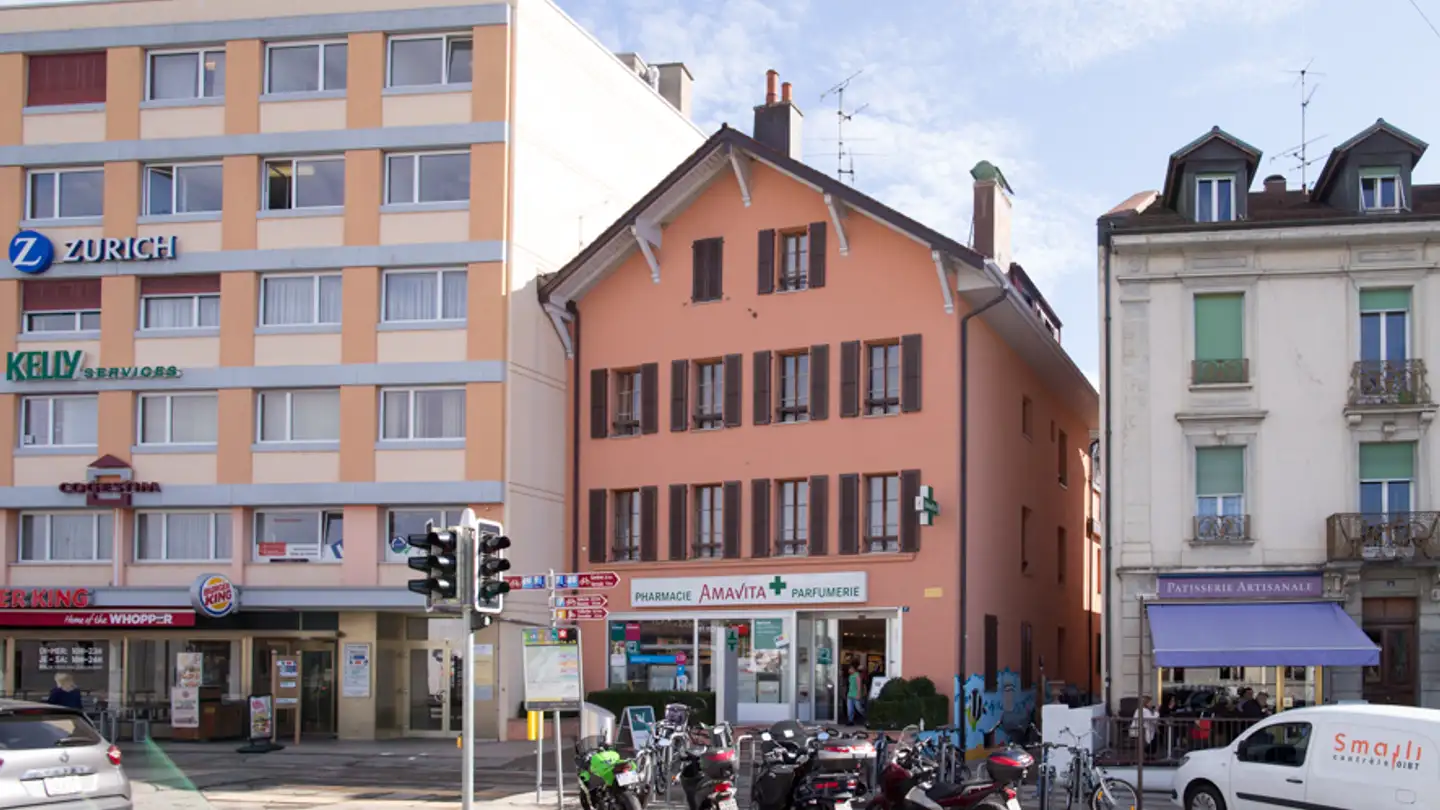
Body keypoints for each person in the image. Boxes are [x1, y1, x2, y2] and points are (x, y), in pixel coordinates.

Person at [846, 662, 864, 726]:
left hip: (856, 695)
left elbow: (859, 686)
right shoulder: (850, 676)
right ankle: (850, 721)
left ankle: (867, 717)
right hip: (850, 695)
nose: (849, 671)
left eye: (850, 669)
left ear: (853, 669)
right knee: (850, 709)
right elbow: (850, 686)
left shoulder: (857, 675)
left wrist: (858, 694)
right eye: (848, 669)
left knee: (859, 708)